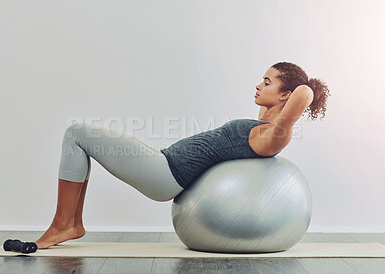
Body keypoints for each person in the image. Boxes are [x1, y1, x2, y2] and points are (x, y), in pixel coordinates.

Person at [33, 61, 330, 249]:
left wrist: (305, 86)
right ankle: (70, 223)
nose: (258, 85)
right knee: (81, 138)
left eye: (267, 81)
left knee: (77, 134)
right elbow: (284, 101)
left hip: (166, 172)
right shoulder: (264, 122)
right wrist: (278, 89)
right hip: (164, 161)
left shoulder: (274, 135)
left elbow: (302, 93)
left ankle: (64, 225)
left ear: (286, 96)